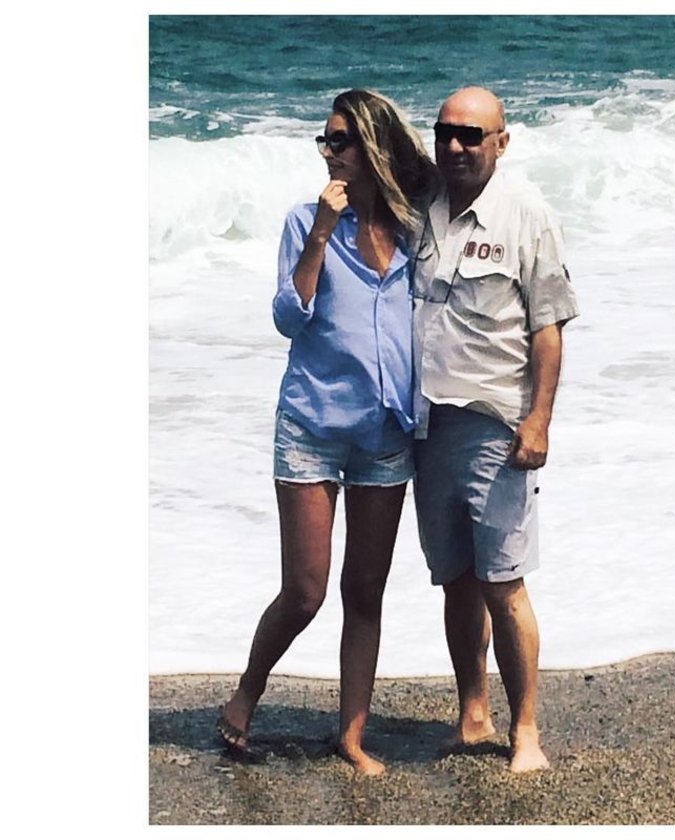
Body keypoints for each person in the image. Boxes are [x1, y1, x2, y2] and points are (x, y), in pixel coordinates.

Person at [217, 89, 438, 776]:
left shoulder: (411, 229)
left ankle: (351, 735)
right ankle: (248, 690)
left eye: (339, 141)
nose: (328, 152)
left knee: (365, 591)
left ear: (371, 146)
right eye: (325, 140)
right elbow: (289, 318)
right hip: (312, 424)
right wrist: (319, 232)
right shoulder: (304, 222)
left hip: (386, 431)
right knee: (306, 591)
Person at [411, 86, 579, 773]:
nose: (455, 145)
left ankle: (527, 730)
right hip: (427, 424)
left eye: (471, 135)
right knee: (455, 579)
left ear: (501, 142)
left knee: (503, 582)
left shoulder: (527, 214)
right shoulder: (422, 204)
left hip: (495, 427)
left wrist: (539, 422)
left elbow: (548, 328)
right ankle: (473, 714)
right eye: (445, 132)